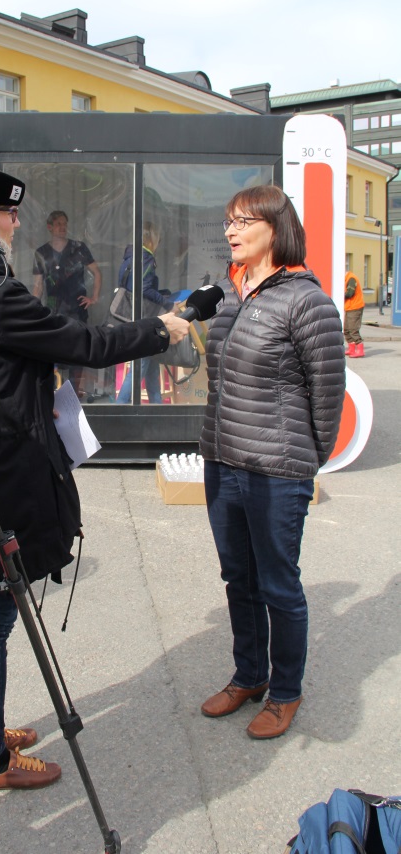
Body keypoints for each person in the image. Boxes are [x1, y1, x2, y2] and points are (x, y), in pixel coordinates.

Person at [0, 195, 189, 791]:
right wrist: (159, 330)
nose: (17, 222)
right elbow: (84, 344)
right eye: (6, 212)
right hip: (3, 478)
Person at [199, 185, 345, 740]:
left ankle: (286, 691)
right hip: (223, 461)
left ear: (275, 229)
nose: (231, 230)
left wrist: (303, 463)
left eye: (243, 222)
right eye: (229, 221)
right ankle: (249, 676)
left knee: (279, 585)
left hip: (276, 470)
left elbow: (326, 396)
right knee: (239, 577)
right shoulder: (234, 294)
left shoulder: (307, 301)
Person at [32, 209, 102, 396]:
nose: (62, 228)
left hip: (77, 307)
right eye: (58, 224)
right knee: (51, 348)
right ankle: (50, 391)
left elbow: (96, 271)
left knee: (77, 348)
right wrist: (32, 308)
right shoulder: (42, 253)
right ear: (50, 227)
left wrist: (94, 298)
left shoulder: (78, 248)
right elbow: (38, 285)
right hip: (53, 307)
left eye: (65, 224)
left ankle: (73, 391)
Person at [116, 220, 176, 404]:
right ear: (151, 238)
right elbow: (143, 288)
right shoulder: (146, 258)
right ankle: (119, 410)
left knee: (151, 368)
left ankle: (156, 408)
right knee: (139, 369)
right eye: (158, 236)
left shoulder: (130, 257)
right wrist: (167, 303)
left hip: (132, 317)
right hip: (144, 320)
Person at [344, 269, 365, 357]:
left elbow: (350, 293)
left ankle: (360, 350)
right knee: (346, 329)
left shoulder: (351, 278)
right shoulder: (346, 278)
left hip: (355, 307)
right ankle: (351, 349)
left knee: (353, 329)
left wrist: (339, 294)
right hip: (349, 307)